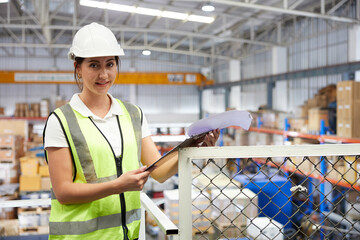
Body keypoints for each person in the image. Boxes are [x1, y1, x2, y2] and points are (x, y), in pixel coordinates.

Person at [43, 22, 219, 240]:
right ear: (78, 68)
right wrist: (117, 186)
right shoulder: (61, 121)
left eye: (110, 64)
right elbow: (63, 193)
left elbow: (159, 172)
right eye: (94, 65)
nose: (104, 74)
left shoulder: (133, 114)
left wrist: (194, 147)